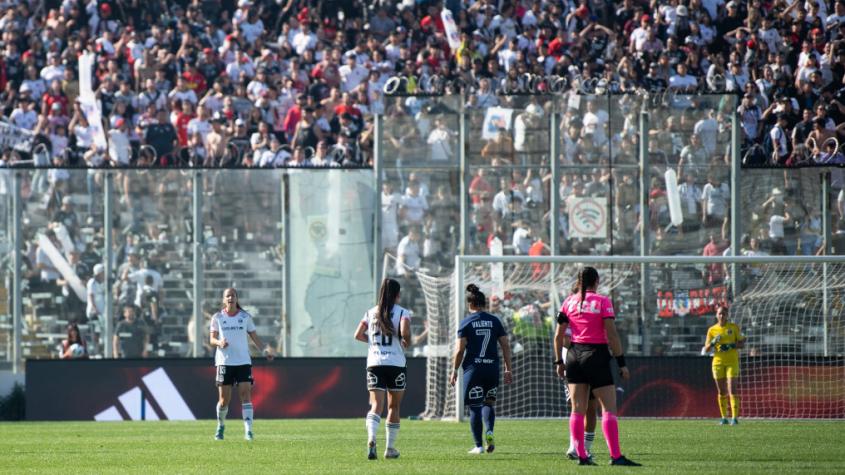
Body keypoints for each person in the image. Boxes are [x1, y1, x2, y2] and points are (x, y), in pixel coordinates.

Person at [554, 266, 639, 466]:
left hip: (574, 356)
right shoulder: (602, 302)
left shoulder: (567, 303)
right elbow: (612, 334)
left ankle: (582, 455)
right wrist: (621, 363)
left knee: (577, 409)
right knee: (608, 408)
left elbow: (558, 336)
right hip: (596, 355)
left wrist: (559, 361)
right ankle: (616, 456)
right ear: (597, 281)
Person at [449, 284, 513, 454]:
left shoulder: (466, 322)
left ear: (470, 304)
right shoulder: (495, 321)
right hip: (492, 369)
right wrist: (508, 368)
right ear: (484, 303)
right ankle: (489, 431)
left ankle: (478, 445)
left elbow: (460, 350)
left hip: (474, 369)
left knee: (474, 407)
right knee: (489, 403)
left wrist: (454, 370)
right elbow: (506, 345)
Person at [353, 278, 411, 460]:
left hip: (375, 363)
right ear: (397, 294)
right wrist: (405, 341)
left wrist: (373, 342)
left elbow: (357, 335)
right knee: (394, 406)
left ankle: (371, 438)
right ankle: (390, 448)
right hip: (395, 364)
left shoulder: (370, 313)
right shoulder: (402, 312)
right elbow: (405, 332)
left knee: (376, 405)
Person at [210, 287, 274, 441]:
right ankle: (221, 425)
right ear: (224, 300)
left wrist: (264, 350)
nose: (230, 298)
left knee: (246, 395)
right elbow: (212, 340)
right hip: (224, 363)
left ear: (237, 298)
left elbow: (254, 337)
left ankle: (248, 431)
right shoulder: (217, 317)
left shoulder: (245, 317)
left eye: (233, 295)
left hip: (243, 362)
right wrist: (219, 342)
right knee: (224, 400)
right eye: (228, 296)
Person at [703, 304, 745, 425]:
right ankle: (723, 418)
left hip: (732, 362)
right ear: (716, 315)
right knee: (721, 391)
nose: (722, 315)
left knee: (732, 389)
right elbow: (705, 349)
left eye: (724, 313)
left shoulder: (733, 328)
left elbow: (742, 343)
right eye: (720, 313)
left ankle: (735, 418)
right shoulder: (712, 330)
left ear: (727, 315)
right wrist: (712, 343)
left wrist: (731, 345)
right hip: (718, 363)